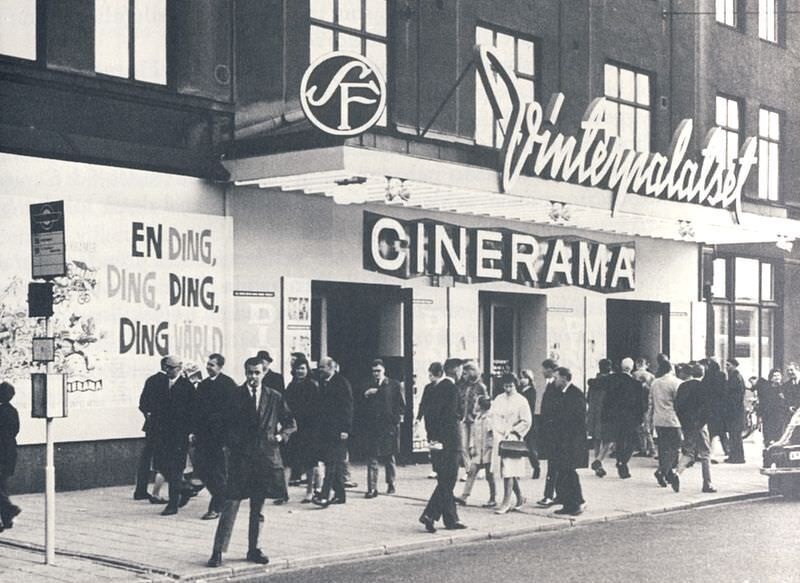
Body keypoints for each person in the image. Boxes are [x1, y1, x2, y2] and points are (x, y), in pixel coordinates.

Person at [207, 357, 296, 568]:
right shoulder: (234, 396)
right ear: (245, 372)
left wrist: (282, 437)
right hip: (240, 460)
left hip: (264, 459)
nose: (253, 377)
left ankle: (254, 548)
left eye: (257, 373)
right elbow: (223, 424)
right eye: (249, 373)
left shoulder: (274, 396)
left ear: (263, 372)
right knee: (230, 505)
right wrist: (229, 445)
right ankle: (218, 550)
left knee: (259, 507)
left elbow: (290, 422)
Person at [419, 358, 466, 533]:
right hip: (450, 441)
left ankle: (451, 519)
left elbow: (428, 414)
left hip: (436, 440)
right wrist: (441, 439)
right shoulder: (451, 388)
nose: (463, 373)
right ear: (455, 370)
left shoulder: (433, 388)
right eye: (461, 369)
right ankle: (430, 514)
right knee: (449, 479)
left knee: (444, 479)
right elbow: (452, 415)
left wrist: (433, 438)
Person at [192, 353, 237, 520]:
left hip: (220, 437)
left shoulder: (228, 384)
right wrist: (194, 432)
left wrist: (227, 436)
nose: (208, 367)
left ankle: (216, 506)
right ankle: (224, 498)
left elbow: (232, 412)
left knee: (217, 472)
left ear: (220, 367)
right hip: (203, 436)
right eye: (208, 364)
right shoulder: (203, 385)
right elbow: (196, 409)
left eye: (212, 365)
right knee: (203, 470)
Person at [148, 355, 195, 516]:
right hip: (161, 434)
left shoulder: (187, 387)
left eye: (172, 368)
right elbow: (149, 403)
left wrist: (190, 432)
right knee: (162, 466)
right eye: (166, 367)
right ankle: (186, 488)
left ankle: (172, 504)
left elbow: (192, 412)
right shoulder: (159, 383)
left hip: (178, 436)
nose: (168, 370)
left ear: (179, 368)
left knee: (175, 470)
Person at [312, 357, 353, 508]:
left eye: (322, 367)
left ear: (331, 367)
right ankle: (340, 494)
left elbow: (348, 407)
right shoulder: (324, 383)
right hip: (326, 430)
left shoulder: (341, 383)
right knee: (331, 461)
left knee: (331, 462)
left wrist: (345, 429)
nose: (319, 370)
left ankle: (324, 495)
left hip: (338, 430)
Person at [363, 359, 404, 498]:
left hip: (388, 426)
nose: (376, 374)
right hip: (373, 426)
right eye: (374, 371)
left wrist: (395, 421)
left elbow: (400, 405)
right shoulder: (368, 385)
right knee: (372, 457)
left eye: (378, 371)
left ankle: (391, 483)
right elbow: (360, 405)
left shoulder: (394, 385)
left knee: (389, 457)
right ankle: (372, 488)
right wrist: (366, 395)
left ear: (384, 371)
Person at [491, 374, 532, 514]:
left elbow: (526, 420)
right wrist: (495, 431)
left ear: (516, 385)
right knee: (506, 470)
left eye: (511, 386)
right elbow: (493, 416)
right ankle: (520, 497)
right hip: (499, 438)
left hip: (513, 439)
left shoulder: (521, 401)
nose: (508, 389)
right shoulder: (498, 399)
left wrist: (515, 431)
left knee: (509, 470)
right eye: (505, 386)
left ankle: (506, 502)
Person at [284, 356, 322, 503]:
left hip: (309, 428)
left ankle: (310, 491)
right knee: (288, 460)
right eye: (298, 368)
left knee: (310, 461)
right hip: (294, 427)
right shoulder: (291, 386)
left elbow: (317, 408)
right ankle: (284, 492)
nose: (300, 371)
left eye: (303, 368)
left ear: (307, 370)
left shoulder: (312, 385)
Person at [549, 367, 587, 516]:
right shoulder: (561, 393)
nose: (554, 381)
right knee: (564, 471)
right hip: (562, 440)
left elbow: (576, 419)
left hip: (571, 441)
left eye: (556, 378)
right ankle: (569, 503)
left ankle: (575, 503)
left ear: (564, 378)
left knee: (568, 471)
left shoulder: (575, 394)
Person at [674, 362, 716, 493]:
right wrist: (702, 423)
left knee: (688, 451)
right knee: (705, 453)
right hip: (699, 424)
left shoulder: (683, 386)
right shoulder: (705, 387)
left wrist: (683, 421)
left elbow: (677, 406)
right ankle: (707, 483)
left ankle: (677, 473)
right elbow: (707, 408)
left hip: (686, 424)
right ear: (703, 374)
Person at [602, 358, 645, 479]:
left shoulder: (612, 380)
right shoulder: (636, 384)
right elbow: (640, 404)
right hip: (631, 418)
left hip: (615, 416)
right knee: (634, 441)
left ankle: (622, 464)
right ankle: (623, 462)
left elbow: (605, 396)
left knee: (620, 441)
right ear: (631, 368)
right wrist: (640, 419)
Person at [134, 357, 169, 503]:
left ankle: (140, 490)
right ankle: (157, 493)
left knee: (146, 457)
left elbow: (142, 404)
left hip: (151, 425)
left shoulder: (151, 380)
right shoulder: (168, 382)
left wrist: (149, 415)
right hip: (164, 426)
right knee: (163, 458)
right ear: (167, 367)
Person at [455, 396, 495, 507]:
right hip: (478, 450)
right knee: (472, 472)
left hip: (487, 451)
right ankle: (464, 495)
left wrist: (492, 448)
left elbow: (492, 435)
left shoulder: (489, 419)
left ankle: (493, 498)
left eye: (476, 403)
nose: (474, 405)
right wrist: (472, 446)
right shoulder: (477, 418)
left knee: (489, 476)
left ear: (481, 406)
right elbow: (473, 434)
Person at [651, 355, 682, 490]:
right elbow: (679, 402)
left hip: (658, 419)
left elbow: (650, 402)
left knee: (663, 448)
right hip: (673, 419)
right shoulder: (676, 383)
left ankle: (667, 474)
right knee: (675, 447)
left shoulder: (655, 382)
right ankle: (662, 471)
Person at [536, 359, 561, 507]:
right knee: (554, 464)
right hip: (550, 429)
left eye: (544, 369)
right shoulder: (551, 384)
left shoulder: (554, 386)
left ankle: (549, 495)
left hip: (554, 431)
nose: (542, 372)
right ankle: (556, 494)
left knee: (554, 464)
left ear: (550, 369)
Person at [457, 361, 487, 477]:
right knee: (463, 446)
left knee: (475, 445)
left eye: (465, 373)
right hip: (464, 419)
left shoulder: (481, 387)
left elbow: (485, 402)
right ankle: (469, 470)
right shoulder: (462, 386)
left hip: (476, 418)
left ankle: (480, 468)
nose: (463, 376)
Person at [0, 382, 21, 531]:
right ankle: (6, 520)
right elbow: (15, 430)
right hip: (10, 453)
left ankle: (9, 509)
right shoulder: (13, 411)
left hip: (1, 453)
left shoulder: (1, 412)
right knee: (2, 486)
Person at [587, 359, 613, 477]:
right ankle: (598, 461)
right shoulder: (610, 382)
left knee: (596, 439)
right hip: (607, 413)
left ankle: (597, 463)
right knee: (609, 440)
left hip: (594, 413)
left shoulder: (593, 382)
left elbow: (588, 398)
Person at [702, 358, 729, 460]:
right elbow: (725, 390)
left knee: (712, 430)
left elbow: (704, 391)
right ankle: (727, 449)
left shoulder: (707, 377)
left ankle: (710, 451)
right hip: (720, 406)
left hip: (710, 406)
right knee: (721, 431)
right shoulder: (721, 375)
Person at [754, 369, 787, 447]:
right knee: (768, 437)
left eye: (778, 375)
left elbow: (786, 402)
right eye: (774, 375)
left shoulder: (784, 388)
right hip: (768, 417)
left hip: (780, 417)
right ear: (771, 377)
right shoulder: (766, 388)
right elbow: (762, 403)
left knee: (779, 438)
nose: (776, 377)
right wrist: (759, 417)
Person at [723, 359, 746, 464]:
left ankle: (737, 457)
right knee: (735, 435)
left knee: (735, 435)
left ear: (734, 366)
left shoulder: (734, 378)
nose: (726, 367)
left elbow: (734, 396)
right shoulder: (736, 377)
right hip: (736, 411)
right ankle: (735, 456)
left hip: (735, 411)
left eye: (728, 365)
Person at [519, 369, 540, 479]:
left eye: (524, 378)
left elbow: (529, 406)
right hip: (519, 420)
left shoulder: (531, 391)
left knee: (530, 446)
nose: (522, 380)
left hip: (529, 420)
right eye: (521, 378)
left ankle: (536, 466)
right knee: (518, 445)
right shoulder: (519, 390)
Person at [632, 358, 656, 457]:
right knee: (647, 427)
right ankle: (651, 448)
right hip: (648, 403)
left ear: (637, 364)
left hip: (637, 403)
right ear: (646, 364)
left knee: (639, 427)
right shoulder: (651, 376)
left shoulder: (634, 375)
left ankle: (644, 448)